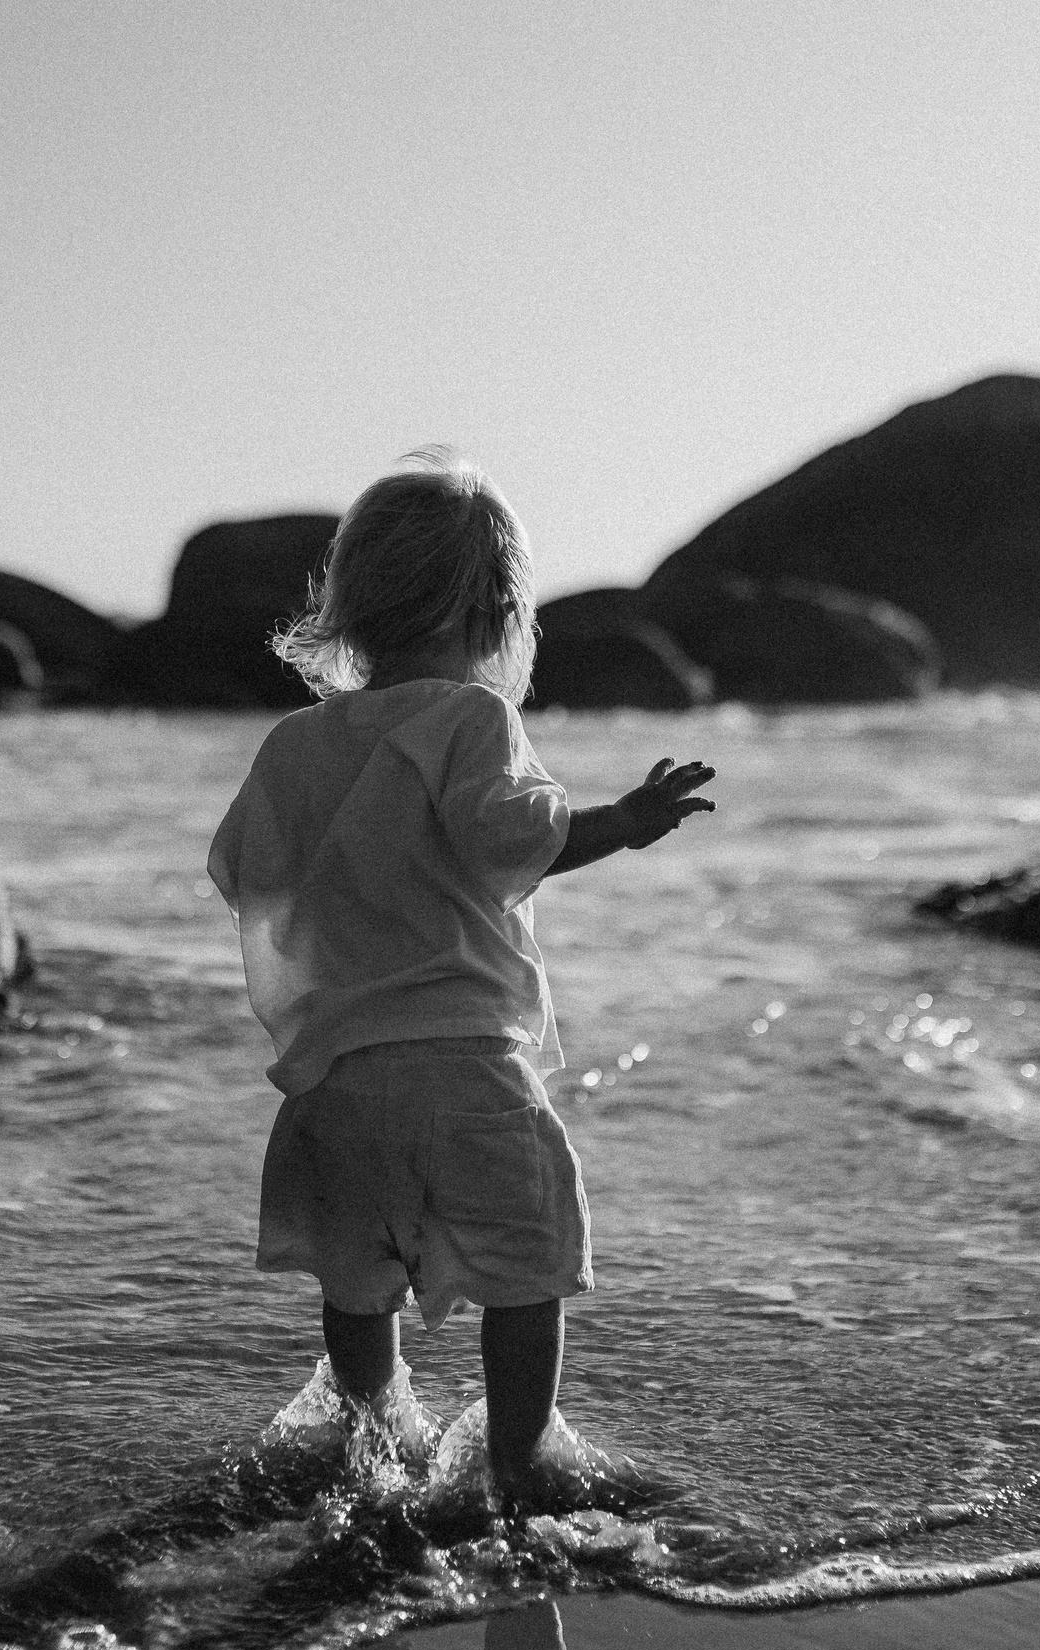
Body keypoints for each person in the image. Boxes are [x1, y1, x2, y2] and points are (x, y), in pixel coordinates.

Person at [207, 447, 715, 1507]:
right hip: (465, 1074)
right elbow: (505, 841)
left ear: (350, 603)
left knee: (359, 1279)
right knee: (526, 1270)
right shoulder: (471, 720)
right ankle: (521, 1460)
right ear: (494, 610)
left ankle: (374, 1437)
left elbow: (241, 870)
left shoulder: (294, 745)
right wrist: (617, 824)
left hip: (335, 1084)